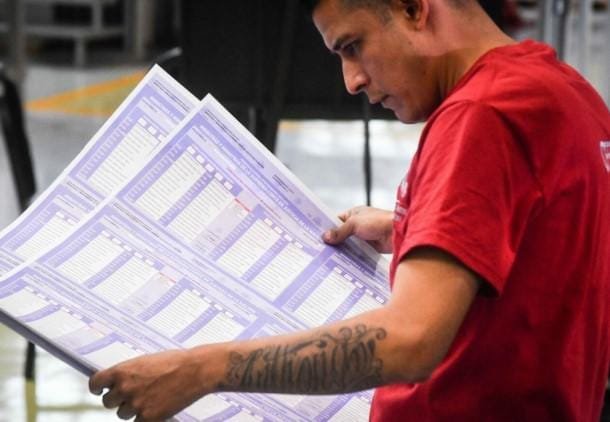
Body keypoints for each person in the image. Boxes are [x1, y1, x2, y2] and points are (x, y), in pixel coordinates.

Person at [89, 0, 610, 420]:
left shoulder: (480, 116)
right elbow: (549, 245)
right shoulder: (566, 92)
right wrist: (418, 227)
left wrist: (205, 368)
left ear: (413, 9)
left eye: (353, 47)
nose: (352, 80)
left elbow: (409, 340)